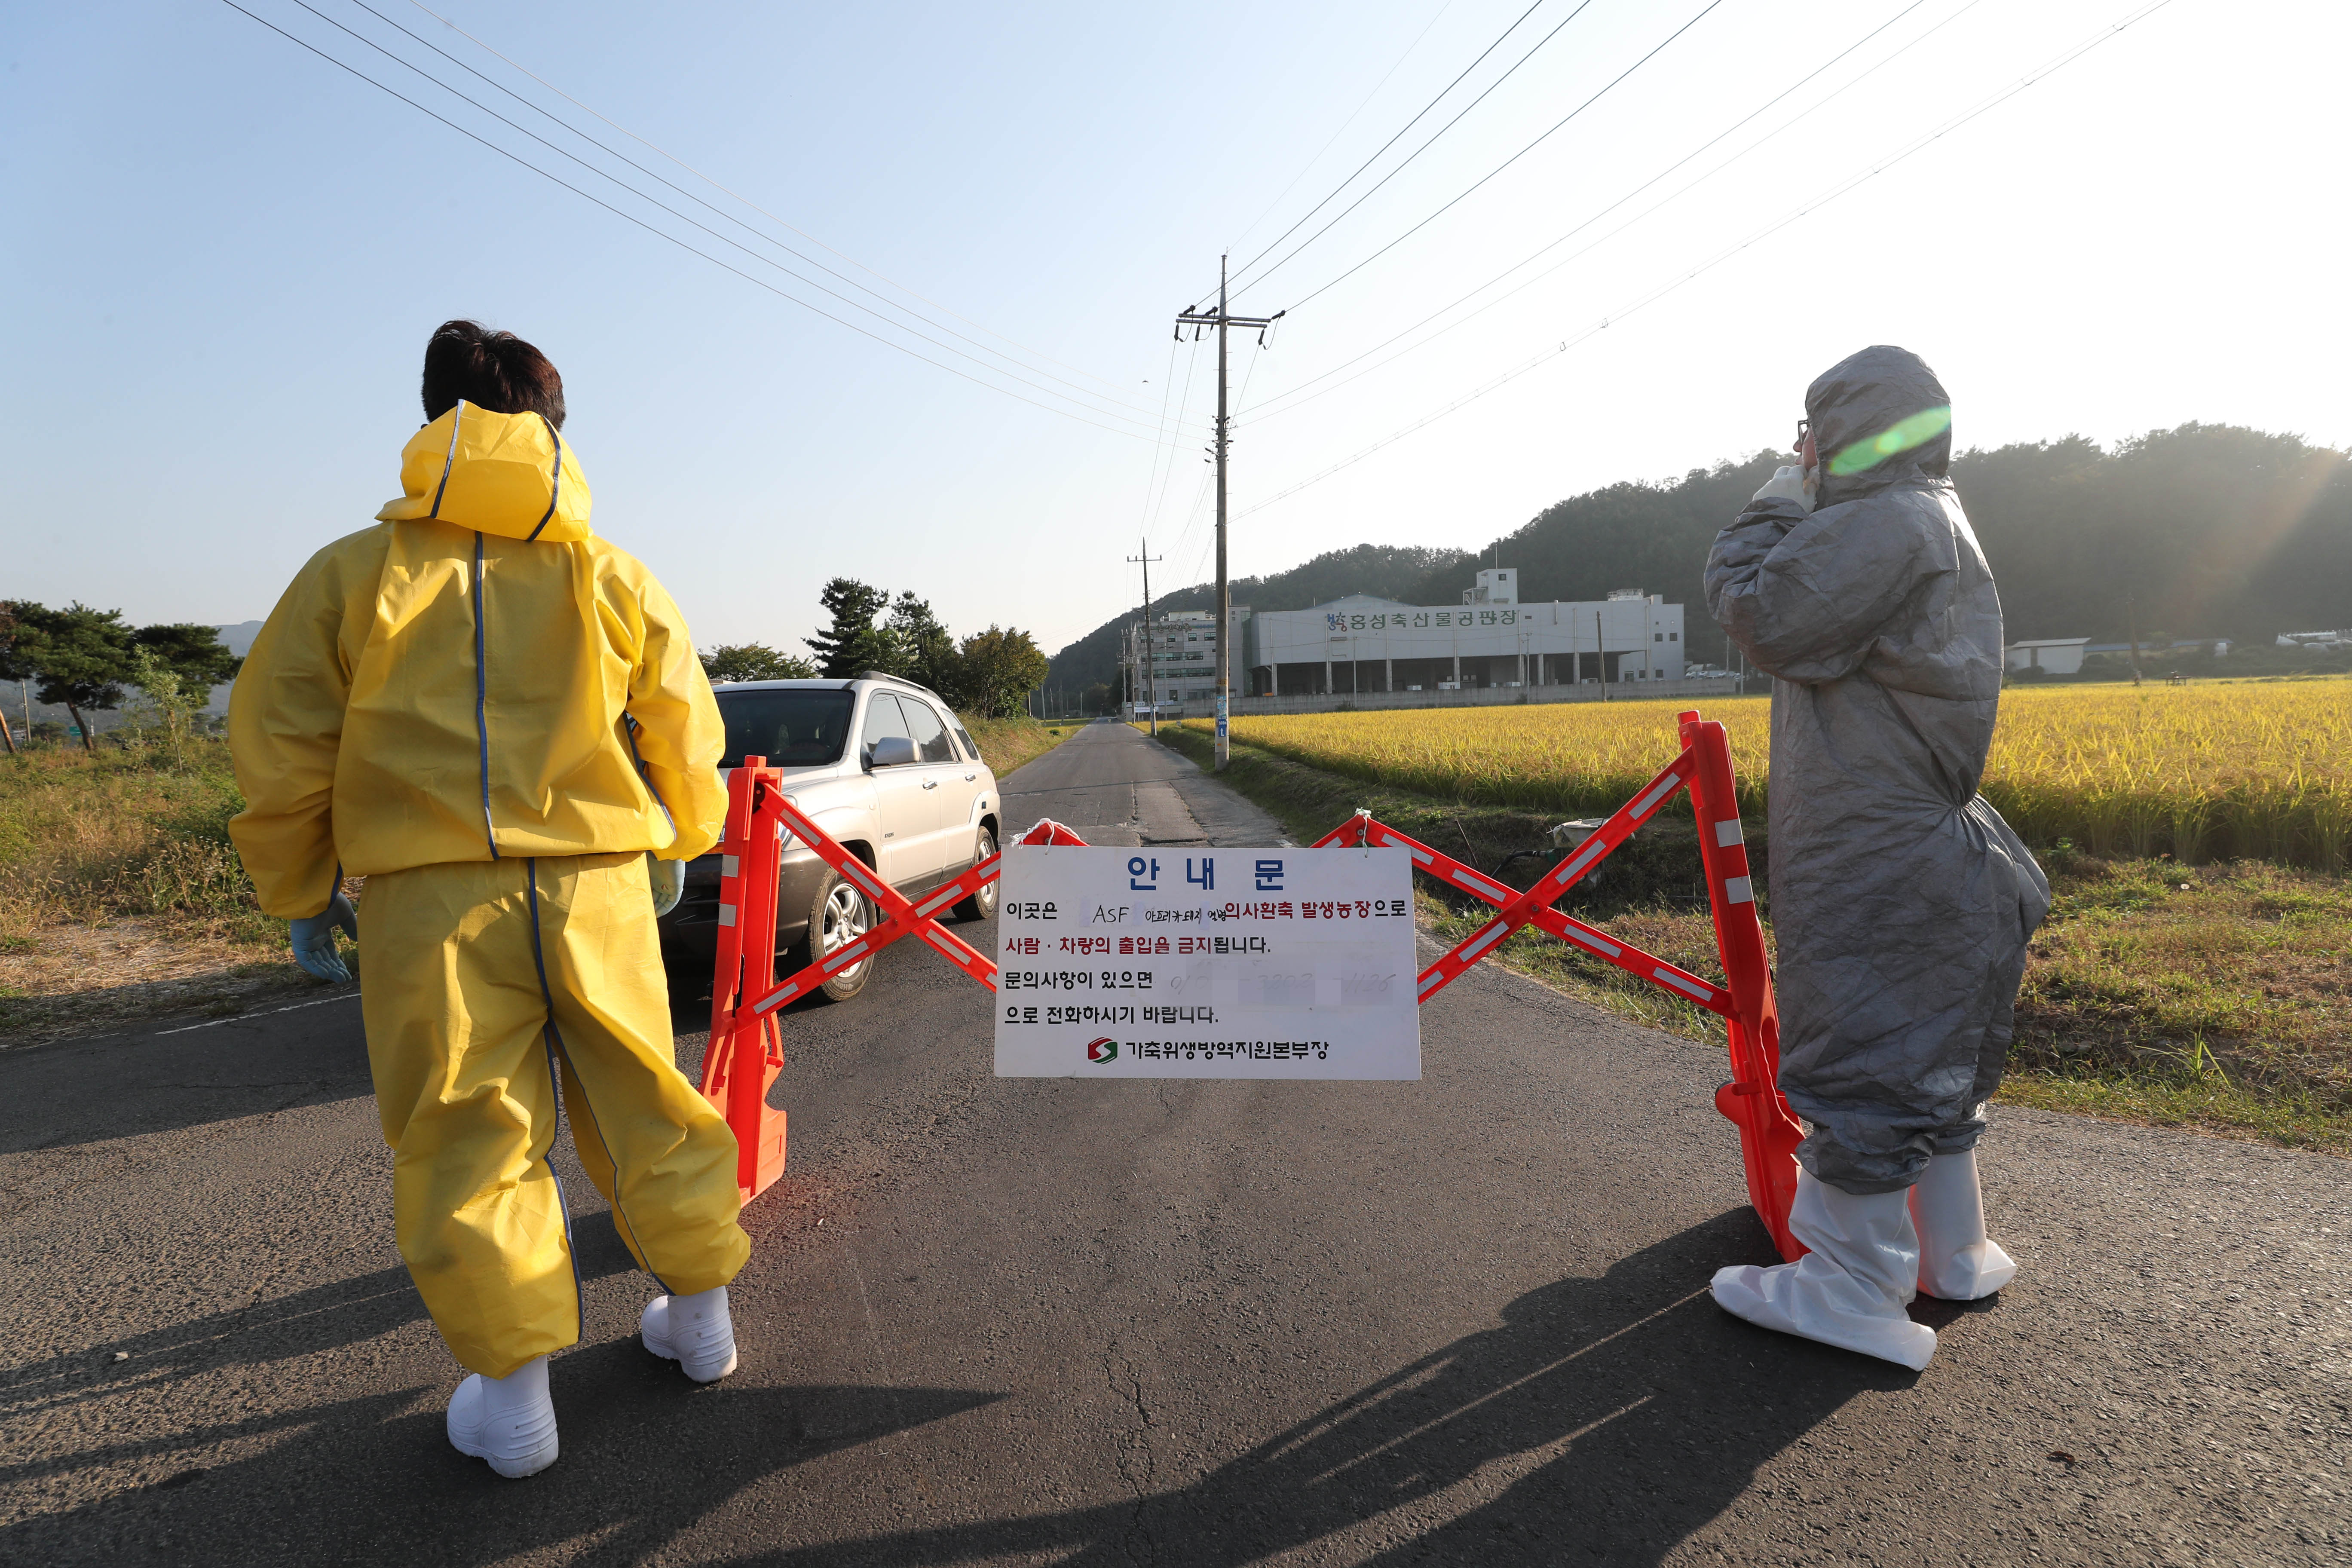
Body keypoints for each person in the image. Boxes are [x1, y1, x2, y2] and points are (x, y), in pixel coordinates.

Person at [228, 320, 751, 1476]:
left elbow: (280, 743)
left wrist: (302, 887)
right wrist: (677, 833)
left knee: (470, 1133)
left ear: (432, 423)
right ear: (550, 429)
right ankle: (703, 1328)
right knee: (645, 1100)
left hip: (429, 903)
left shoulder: (349, 576)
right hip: (599, 885)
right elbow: (684, 725)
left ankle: (515, 1405)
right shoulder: (610, 570)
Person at [1702, 345, 2049, 1371]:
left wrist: (1772, 504)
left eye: (1813, 434)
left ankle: (1850, 1287)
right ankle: (1953, 1251)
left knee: (1861, 1050)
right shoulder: (1932, 510)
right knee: (1926, 1063)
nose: (1804, 450)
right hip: (1934, 840)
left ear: (1841, 437)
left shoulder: (1884, 520)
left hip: (1875, 845)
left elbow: (1761, 612)